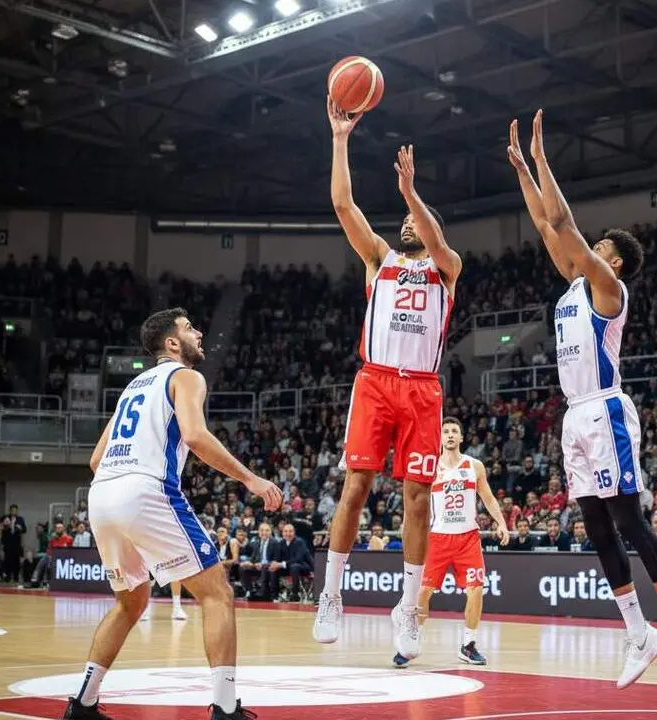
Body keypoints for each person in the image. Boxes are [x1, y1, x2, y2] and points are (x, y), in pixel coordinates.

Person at [508, 111, 657, 689]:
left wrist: (544, 159)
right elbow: (548, 226)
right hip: (574, 416)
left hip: (606, 408)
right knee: (594, 523)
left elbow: (563, 221)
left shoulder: (610, 288)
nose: (584, 249)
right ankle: (638, 633)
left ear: (612, 261)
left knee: (628, 519)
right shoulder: (573, 285)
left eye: (596, 247)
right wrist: (523, 171)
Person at [61, 308, 281, 720]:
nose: (199, 332)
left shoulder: (132, 387)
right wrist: (251, 479)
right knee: (217, 593)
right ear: (172, 344)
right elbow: (195, 436)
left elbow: (95, 459)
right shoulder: (186, 376)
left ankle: (83, 702)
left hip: (102, 494)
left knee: (130, 604)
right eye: (189, 328)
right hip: (145, 490)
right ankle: (226, 708)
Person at [313, 96, 463, 664]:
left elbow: (439, 239)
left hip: (422, 389)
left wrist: (411, 195)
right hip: (375, 383)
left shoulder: (447, 268)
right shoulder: (379, 258)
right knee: (355, 488)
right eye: (403, 219)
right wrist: (340, 138)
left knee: (418, 500)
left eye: (414, 222)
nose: (405, 225)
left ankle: (408, 610)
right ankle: (331, 595)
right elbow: (342, 203)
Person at [393, 417, 509, 668]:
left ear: (461, 437)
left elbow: (488, 498)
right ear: (440, 437)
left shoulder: (474, 465)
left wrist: (501, 522)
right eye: (445, 431)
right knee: (423, 592)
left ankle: (468, 646)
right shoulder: (431, 468)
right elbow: (415, 502)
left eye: (455, 431)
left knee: (476, 589)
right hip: (437, 537)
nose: (450, 435)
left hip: (468, 537)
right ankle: (410, 641)